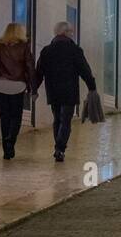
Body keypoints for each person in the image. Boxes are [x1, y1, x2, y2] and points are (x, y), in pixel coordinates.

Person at [33, 22, 96, 162]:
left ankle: (58, 147)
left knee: (57, 119)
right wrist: (92, 86)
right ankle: (60, 148)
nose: (72, 34)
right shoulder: (75, 50)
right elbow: (84, 69)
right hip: (69, 90)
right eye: (71, 32)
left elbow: (39, 72)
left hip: (53, 90)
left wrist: (34, 89)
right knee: (66, 120)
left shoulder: (46, 50)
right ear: (65, 32)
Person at [0, 23, 35, 160]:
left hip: (1, 85)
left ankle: (6, 150)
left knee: (4, 116)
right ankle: (10, 141)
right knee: (16, 116)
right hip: (18, 86)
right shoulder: (24, 46)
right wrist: (33, 87)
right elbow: (30, 67)